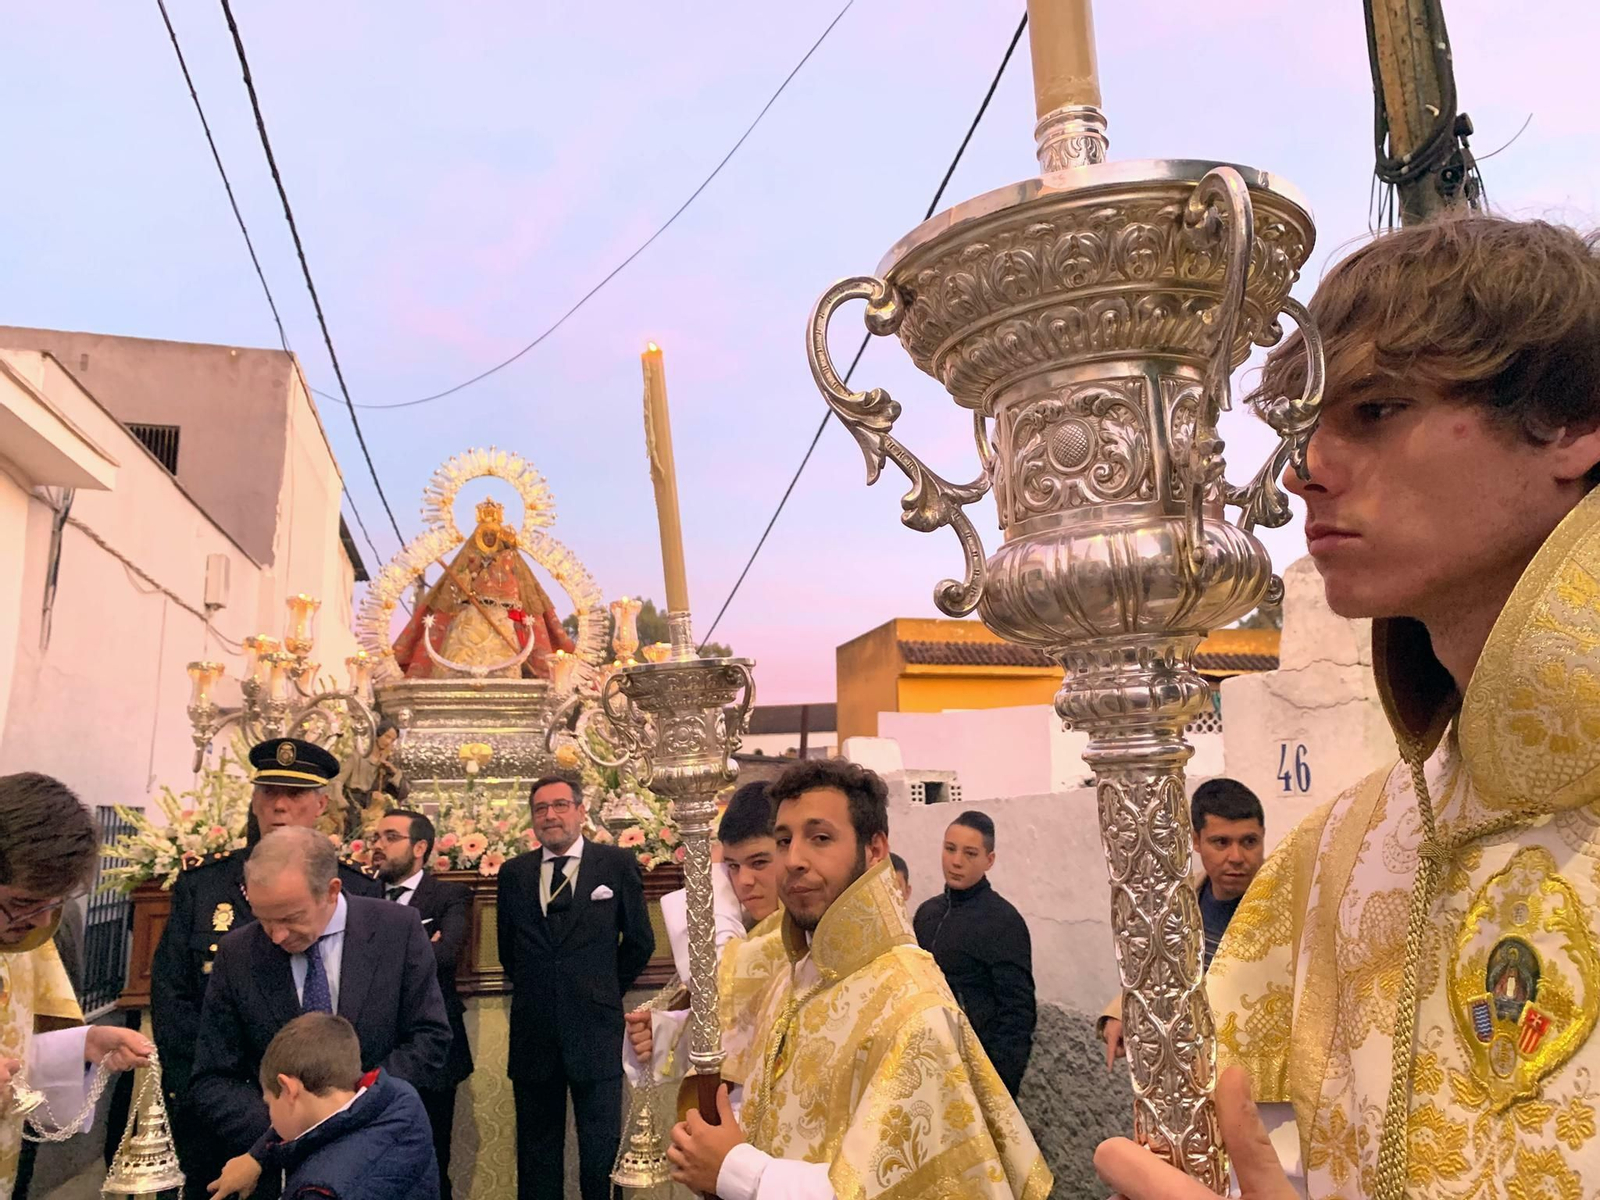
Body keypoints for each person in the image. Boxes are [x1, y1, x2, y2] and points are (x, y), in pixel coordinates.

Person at [1110, 216, 1600, 1199]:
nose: (1303, 470)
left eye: (1373, 410)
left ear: (1571, 422)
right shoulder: (1336, 853)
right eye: (1303, 425)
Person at [667, 758, 1051, 1200]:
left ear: (874, 850)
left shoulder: (911, 1005)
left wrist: (736, 1171)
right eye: (783, 840)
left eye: (821, 838)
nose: (793, 860)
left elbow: (896, 1188)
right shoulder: (795, 974)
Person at [151, 738, 381, 1199]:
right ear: (254, 800)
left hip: (348, 1128)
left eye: (294, 795)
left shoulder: (360, 891)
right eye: (268, 792)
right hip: (232, 1126)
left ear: (321, 804)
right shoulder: (204, 885)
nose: (279, 805)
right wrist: (262, 1120)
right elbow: (174, 1004)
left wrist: (336, 1111)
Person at [194, 826, 450, 1200]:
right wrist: (282, 1134)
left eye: (291, 918)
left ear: (330, 891)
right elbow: (214, 1077)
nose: (277, 936)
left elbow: (429, 1039)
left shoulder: (398, 928)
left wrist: (342, 1113)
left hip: (378, 1156)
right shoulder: (238, 953)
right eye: (264, 920)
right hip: (277, 1173)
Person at [497, 776, 654, 1200]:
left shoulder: (616, 865)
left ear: (581, 811)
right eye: (541, 808)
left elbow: (640, 942)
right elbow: (508, 952)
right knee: (536, 1155)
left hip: (597, 1031)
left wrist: (602, 988)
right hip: (534, 1035)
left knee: (602, 1154)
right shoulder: (514, 874)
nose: (550, 815)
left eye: (560, 805)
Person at [0, 773, 153, 1200]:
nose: (39, 923)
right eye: (22, 903)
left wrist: (80, 1047)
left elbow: (15, 1049)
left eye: (54, 904)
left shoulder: (27, 944)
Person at [623, 780, 783, 1111]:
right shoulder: (751, 932)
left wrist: (707, 895)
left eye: (759, 862)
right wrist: (667, 1035)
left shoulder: (803, 936)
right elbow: (745, 1026)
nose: (743, 881)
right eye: (733, 867)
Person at [1096, 778, 1265, 1069]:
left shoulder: (1287, 906)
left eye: (1249, 842)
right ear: (1196, 841)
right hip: (1189, 1069)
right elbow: (1156, 966)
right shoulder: (1178, 901)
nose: (1236, 857)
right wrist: (1122, 1012)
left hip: (1260, 1080)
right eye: (1221, 842)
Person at [370, 810, 472, 1200]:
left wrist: (377, 954)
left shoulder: (449, 896)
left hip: (432, 1052)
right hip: (371, 1051)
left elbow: (445, 957)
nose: (378, 846)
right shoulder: (360, 893)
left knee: (429, 1161)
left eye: (390, 837)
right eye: (376, 837)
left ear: (419, 847)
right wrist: (417, 947)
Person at [913, 810, 1037, 1097]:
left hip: (978, 1074)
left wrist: (997, 1089)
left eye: (970, 853)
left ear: (989, 860)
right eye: (950, 849)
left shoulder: (1003, 922)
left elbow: (1018, 1014)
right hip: (927, 1067)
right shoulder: (927, 914)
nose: (956, 861)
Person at [256, 1013, 438, 1200]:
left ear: (288, 1089)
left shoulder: (318, 1191)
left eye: (269, 1103)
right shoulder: (401, 1099)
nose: (271, 1119)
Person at [391, 498, 575, 680]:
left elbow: (514, 588)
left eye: (492, 536)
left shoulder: (508, 559)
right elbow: (456, 589)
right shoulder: (470, 558)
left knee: (505, 651)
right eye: (485, 535)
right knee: (463, 649)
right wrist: (469, 573)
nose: (489, 539)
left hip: (502, 617)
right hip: (472, 614)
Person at [336, 721, 410, 838]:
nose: (388, 742)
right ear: (377, 735)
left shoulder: (386, 764)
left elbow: (402, 793)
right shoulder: (358, 756)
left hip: (374, 806)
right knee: (353, 836)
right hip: (354, 803)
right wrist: (340, 799)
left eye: (392, 740)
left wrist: (394, 772)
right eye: (387, 736)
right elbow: (339, 780)